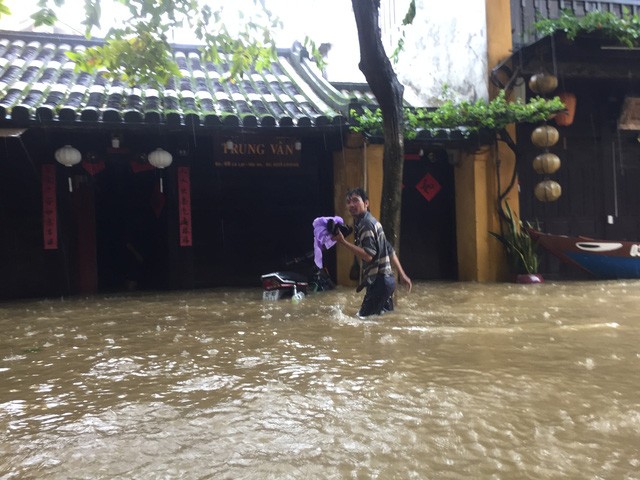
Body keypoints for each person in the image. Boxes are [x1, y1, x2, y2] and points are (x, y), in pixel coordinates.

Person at [332, 188, 412, 317]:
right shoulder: (372, 221)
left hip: (379, 282)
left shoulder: (366, 224)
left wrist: (343, 242)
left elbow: (368, 255)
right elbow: (390, 249)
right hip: (388, 280)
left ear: (366, 203)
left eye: (355, 200)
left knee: (362, 320)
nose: (351, 205)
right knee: (383, 321)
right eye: (348, 202)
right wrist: (402, 275)